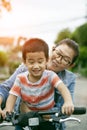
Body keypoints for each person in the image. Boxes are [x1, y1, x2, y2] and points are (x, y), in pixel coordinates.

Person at [0, 38, 79, 130]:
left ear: (70, 65)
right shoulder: (23, 73)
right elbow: (9, 90)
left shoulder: (56, 76)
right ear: (53, 49)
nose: (58, 59)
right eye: (58, 53)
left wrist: (68, 102)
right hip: (24, 120)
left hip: (49, 123)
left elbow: (65, 102)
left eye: (65, 59)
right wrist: (8, 110)